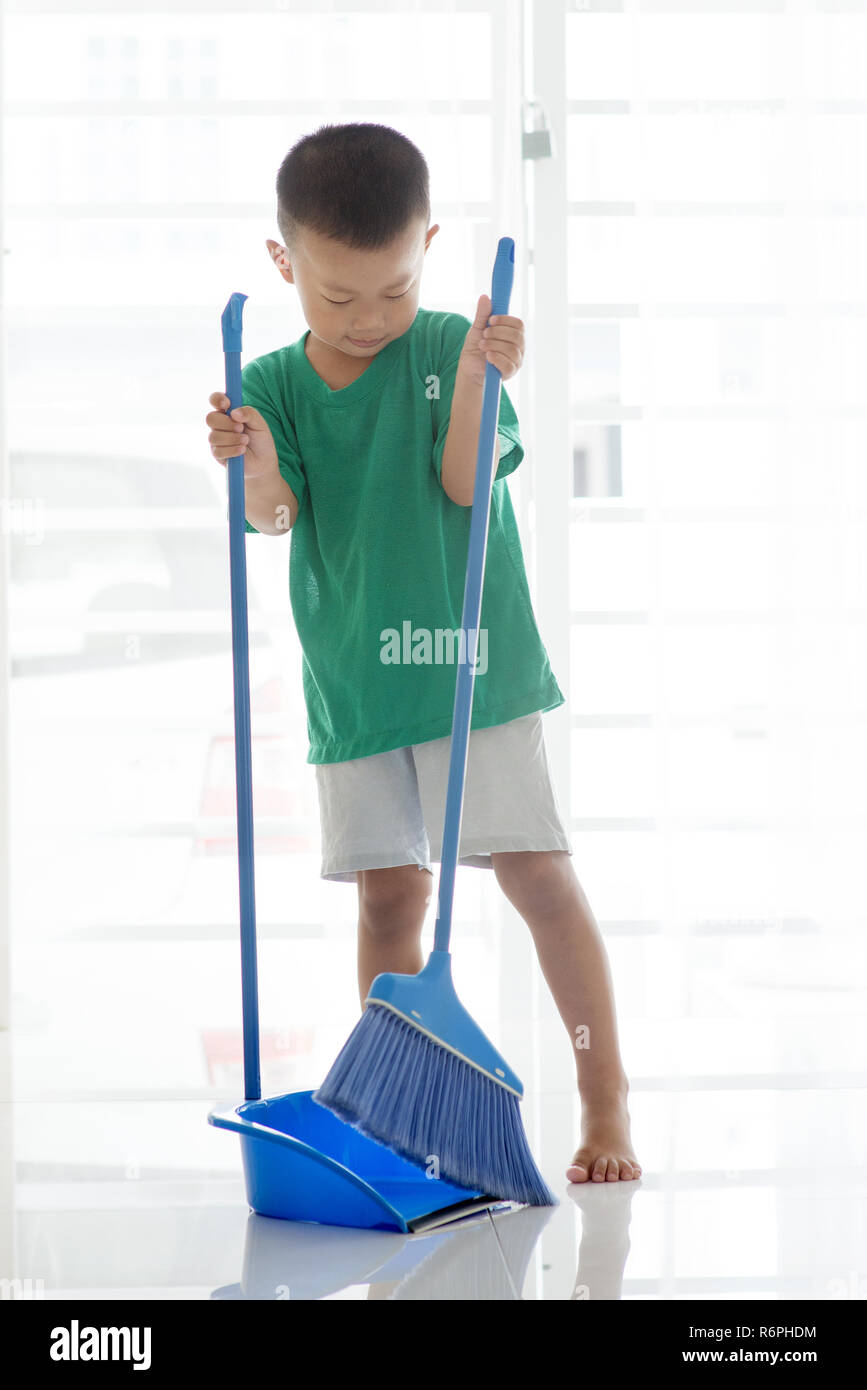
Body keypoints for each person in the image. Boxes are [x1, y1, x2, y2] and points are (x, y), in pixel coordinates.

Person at [205, 122, 641, 1185]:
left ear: (428, 248)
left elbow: (462, 486)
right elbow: (272, 518)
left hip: (470, 670)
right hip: (355, 683)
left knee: (535, 876)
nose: (369, 320)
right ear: (283, 265)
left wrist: (484, 379)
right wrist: (252, 460)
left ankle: (603, 1093)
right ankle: (401, 1119)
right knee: (389, 900)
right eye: (337, 297)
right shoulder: (272, 381)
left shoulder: (456, 344)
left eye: (393, 292)